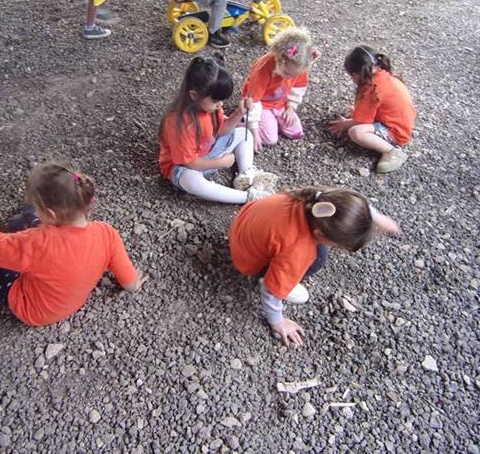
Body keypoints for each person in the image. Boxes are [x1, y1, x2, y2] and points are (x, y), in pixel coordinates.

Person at [0, 163, 145, 327]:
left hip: (32, 308)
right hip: (68, 301)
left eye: (40, 208)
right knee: (30, 231)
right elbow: (129, 281)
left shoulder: (38, 243)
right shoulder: (107, 233)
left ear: (51, 213)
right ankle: (27, 216)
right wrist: (134, 284)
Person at [229, 187, 400, 345]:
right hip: (246, 261)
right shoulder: (298, 250)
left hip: (244, 222)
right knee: (317, 261)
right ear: (319, 234)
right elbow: (271, 291)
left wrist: (375, 216)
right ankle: (269, 277)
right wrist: (278, 322)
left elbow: (345, 205)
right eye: (338, 245)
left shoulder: (315, 200)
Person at [159, 55, 278, 204]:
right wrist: (220, 162)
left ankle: (246, 174)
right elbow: (189, 163)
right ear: (194, 95)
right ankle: (247, 197)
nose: (220, 104)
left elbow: (221, 130)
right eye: (216, 100)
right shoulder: (179, 123)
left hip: (208, 152)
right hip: (183, 167)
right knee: (191, 180)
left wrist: (239, 113)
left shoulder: (211, 108)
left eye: (222, 100)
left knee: (244, 133)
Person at [329, 46, 417, 173]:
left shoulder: (372, 89)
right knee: (356, 120)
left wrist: (345, 124)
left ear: (355, 74)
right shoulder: (383, 75)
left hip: (396, 132)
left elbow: (361, 121)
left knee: (356, 132)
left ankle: (392, 151)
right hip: (401, 124)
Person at [242, 26, 319, 152]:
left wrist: (291, 107)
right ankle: (243, 122)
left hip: (280, 102)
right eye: (287, 73)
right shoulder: (263, 69)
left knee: (296, 133)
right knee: (270, 139)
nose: (290, 78)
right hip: (261, 103)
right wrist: (253, 130)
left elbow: (298, 86)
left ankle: (271, 120)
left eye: (294, 75)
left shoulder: (300, 64)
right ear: (279, 59)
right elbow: (253, 100)